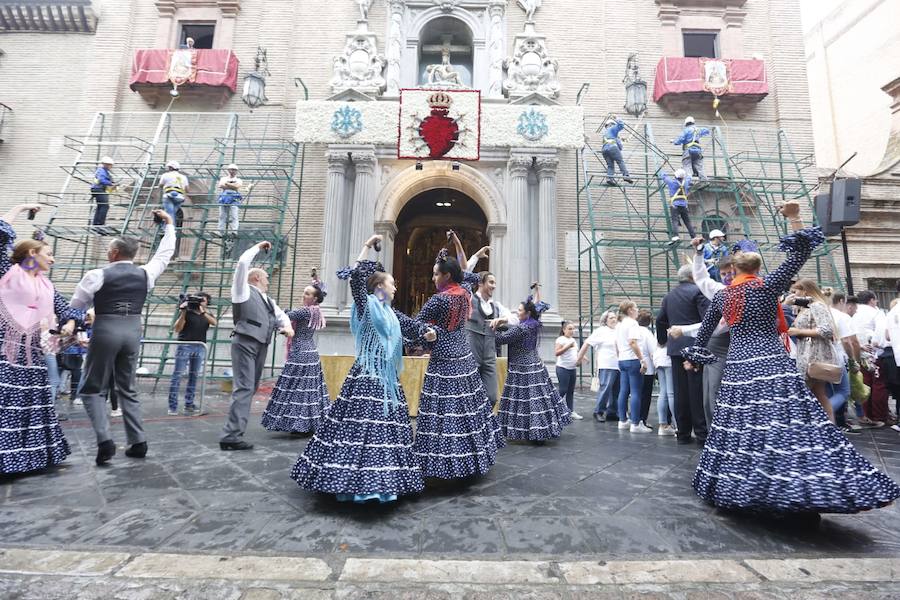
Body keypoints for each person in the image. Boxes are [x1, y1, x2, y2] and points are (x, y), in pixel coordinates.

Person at [682, 225, 900, 516]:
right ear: (758, 269)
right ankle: (796, 482)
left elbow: (705, 332)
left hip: (739, 365)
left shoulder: (723, 296)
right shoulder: (768, 286)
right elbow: (799, 254)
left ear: (734, 270)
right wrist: (795, 221)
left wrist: (695, 357)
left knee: (741, 422)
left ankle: (742, 485)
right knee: (788, 417)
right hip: (772, 360)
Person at [291, 235, 433, 503]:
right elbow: (356, 279)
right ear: (379, 286)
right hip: (367, 376)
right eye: (391, 283)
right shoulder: (367, 305)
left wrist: (426, 332)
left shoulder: (391, 313)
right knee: (361, 429)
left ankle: (383, 483)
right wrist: (367, 245)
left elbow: (411, 326)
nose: (395, 287)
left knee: (384, 429)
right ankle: (354, 483)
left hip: (387, 378)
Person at [72, 209, 175, 465]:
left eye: (109, 249)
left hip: (106, 329)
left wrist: (76, 326)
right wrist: (170, 226)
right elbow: (164, 255)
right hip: (133, 331)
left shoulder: (97, 274)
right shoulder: (146, 273)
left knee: (93, 389)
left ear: (115, 253)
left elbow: (76, 307)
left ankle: (105, 440)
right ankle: (138, 441)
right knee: (127, 387)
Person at [412, 233, 504, 479]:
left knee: (444, 412)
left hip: (443, 364)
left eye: (435, 274)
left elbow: (416, 329)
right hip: (464, 361)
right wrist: (459, 245)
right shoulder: (464, 290)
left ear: (446, 276)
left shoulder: (437, 301)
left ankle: (443, 462)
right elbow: (467, 269)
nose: (433, 278)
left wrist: (427, 335)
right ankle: (470, 460)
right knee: (467, 409)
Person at [0, 204, 82, 474]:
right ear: (32, 254)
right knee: (8, 404)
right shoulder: (8, 273)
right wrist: (21, 208)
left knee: (32, 404)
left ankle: (29, 458)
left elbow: (68, 309)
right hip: (6, 353)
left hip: (34, 354)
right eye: (49, 254)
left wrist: (70, 322)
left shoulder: (46, 285)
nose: (53, 259)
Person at [220, 241, 294, 451]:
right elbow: (242, 262)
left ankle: (233, 432)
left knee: (249, 388)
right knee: (244, 387)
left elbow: (281, 316)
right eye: (266, 277)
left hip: (262, 345)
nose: (269, 281)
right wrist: (258, 247)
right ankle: (231, 436)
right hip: (245, 342)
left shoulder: (268, 301)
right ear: (256, 278)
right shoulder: (242, 290)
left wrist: (287, 328)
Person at [496, 285, 571, 443]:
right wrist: (537, 292)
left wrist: (493, 326)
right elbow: (538, 307)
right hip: (535, 366)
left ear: (527, 313)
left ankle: (535, 432)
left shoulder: (521, 329)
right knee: (538, 399)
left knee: (527, 400)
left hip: (521, 369)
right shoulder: (534, 323)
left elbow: (500, 339)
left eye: (520, 310)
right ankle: (542, 429)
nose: (517, 312)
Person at [261, 282, 330, 434]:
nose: (303, 295)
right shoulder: (315, 311)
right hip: (310, 353)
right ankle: (306, 424)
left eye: (307, 293)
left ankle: (299, 424)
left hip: (301, 353)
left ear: (315, 298)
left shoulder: (306, 311)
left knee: (298, 389)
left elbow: (285, 316)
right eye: (304, 292)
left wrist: (268, 303)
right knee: (308, 390)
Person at [656, 265, 709, 445]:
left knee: (680, 391)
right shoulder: (698, 292)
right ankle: (701, 434)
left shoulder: (669, 296)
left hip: (675, 347)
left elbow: (660, 319)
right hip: (695, 347)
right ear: (693, 276)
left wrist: (663, 340)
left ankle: (683, 433)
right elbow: (707, 321)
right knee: (697, 391)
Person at [464, 248, 518, 410]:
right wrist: (475, 257)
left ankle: (482, 421)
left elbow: (515, 320)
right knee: (469, 396)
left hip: (488, 357)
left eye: (494, 283)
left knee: (492, 396)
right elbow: (463, 274)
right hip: (470, 356)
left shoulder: (497, 306)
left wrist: (502, 319)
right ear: (480, 283)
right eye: (491, 282)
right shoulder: (469, 299)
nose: (494, 286)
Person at [786, 279, 838, 423]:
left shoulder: (816, 306)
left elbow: (827, 330)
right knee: (819, 394)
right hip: (809, 355)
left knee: (804, 394)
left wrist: (800, 331)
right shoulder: (808, 307)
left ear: (805, 291)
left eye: (795, 292)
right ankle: (829, 427)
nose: (793, 295)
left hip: (813, 355)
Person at [167, 292, 215, 416]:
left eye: (202, 300)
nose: (200, 302)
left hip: (199, 346)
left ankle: (189, 404)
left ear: (207, 302)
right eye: (199, 300)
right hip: (185, 345)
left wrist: (203, 311)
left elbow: (215, 322)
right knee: (177, 375)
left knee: (194, 376)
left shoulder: (206, 313)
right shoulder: (187, 311)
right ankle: (172, 406)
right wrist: (183, 312)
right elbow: (177, 329)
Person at [827, 291, 863, 434]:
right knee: (843, 391)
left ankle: (832, 424)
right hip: (837, 358)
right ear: (842, 301)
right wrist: (853, 360)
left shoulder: (824, 313)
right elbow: (849, 341)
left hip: (821, 360)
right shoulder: (842, 317)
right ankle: (823, 414)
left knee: (829, 392)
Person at [853, 290, 891, 425]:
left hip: (857, 352)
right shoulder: (876, 313)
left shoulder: (854, 311)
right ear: (871, 300)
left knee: (864, 384)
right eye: (875, 300)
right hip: (873, 353)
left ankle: (865, 414)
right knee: (879, 384)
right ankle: (879, 415)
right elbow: (881, 333)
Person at [613, 301, 650, 433]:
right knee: (636, 392)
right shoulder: (632, 323)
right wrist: (642, 360)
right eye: (636, 308)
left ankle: (622, 421)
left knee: (623, 391)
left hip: (622, 360)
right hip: (633, 360)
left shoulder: (619, 325)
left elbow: (616, 344)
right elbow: (632, 342)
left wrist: (620, 357)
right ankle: (635, 423)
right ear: (630, 310)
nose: (637, 310)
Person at [576, 310, 620, 422]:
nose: (614, 319)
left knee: (616, 390)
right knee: (605, 388)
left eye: (615, 317)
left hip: (619, 365)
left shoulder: (619, 330)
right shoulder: (601, 331)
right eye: (611, 318)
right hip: (607, 364)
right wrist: (579, 357)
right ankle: (599, 411)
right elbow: (587, 343)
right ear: (605, 320)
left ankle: (612, 412)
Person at [660, 169, 696, 243]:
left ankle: (676, 236)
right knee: (687, 222)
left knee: (675, 221)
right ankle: (693, 237)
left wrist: (662, 171)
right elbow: (689, 177)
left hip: (675, 205)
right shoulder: (686, 182)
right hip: (684, 205)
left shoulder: (672, 182)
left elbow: (664, 176)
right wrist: (689, 174)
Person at [555, 320, 582, 420]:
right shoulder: (560, 339)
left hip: (572, 369)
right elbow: (557, 353)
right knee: (563, 390)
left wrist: (582, 358)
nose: (572, 331)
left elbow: (576, 353)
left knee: (570, 391)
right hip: (563, 368)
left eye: (573, 329)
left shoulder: (573, 340)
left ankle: (570, 411)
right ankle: (553, 408)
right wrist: (567, 346)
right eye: (569, 329)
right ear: (564, 330)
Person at [635, 309, 657, 429]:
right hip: (647, 368)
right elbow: (653, 351)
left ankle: (633, 418)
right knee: (645, 395)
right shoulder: (647, 333)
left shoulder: (632, 331)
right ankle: (642, 419)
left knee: (635, 393)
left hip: (634, 365)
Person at [672, 116, 710, 182]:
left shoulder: (686, 130)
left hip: (688, 150)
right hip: (697, 151)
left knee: (687, 166)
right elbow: (707, 130)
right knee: (699, 166)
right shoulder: (698, 130)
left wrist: (674, 141)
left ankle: (688, 182)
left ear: (686, 124)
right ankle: (704, 181)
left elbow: (678, 141)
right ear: (693, 122)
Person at [600, 116, 635, 186]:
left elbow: (617, 143)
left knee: (610, 166)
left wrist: (618, 139)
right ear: (611, 124)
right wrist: (617, 118)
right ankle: (626, 176)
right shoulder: (612, 128)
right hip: (612, 147)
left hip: (604, 150)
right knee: (620, 161)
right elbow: (621, 125)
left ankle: (609, 178)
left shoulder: (605, 133)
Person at [653, 338, 676, 436]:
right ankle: (678, 425)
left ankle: (663, 425)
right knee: (671, 394)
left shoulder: (658, 330)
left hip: (658, 358)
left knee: (663, 392)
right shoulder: (671, 327)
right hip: (668, 358)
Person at [217, 164, 244, 234]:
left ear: (236, 171)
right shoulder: (223, 178)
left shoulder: (238, 180)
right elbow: (221, 185)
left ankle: (234, 231)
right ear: (228, 170)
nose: (232, 171)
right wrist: (232, 185)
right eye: (231, 169)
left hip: (234, 198)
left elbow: (237, 187)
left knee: (234, 215)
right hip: (224, 197)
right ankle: (221, 231)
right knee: (222, 215)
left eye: (234, 170)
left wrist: (227, 184)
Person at [91, 156, 116, 227]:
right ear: (105, 164)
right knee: (105, 206)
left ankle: (96, 223)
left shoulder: (104, 172)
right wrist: (111, 183)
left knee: (101, 206)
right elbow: (101, 180)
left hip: (98, 189)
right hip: (98, 189)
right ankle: (100, 223)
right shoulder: (102, 171)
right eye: (110, 165)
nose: (111, 166)